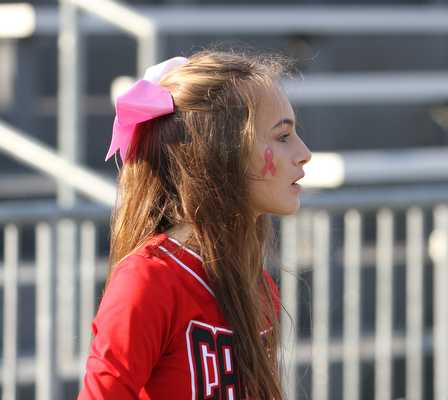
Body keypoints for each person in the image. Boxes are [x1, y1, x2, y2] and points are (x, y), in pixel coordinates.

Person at [78, 48, 312, 400]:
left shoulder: (258, 285)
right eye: (282, 137)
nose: (303, 152)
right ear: (220, 153)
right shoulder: (149, 280)